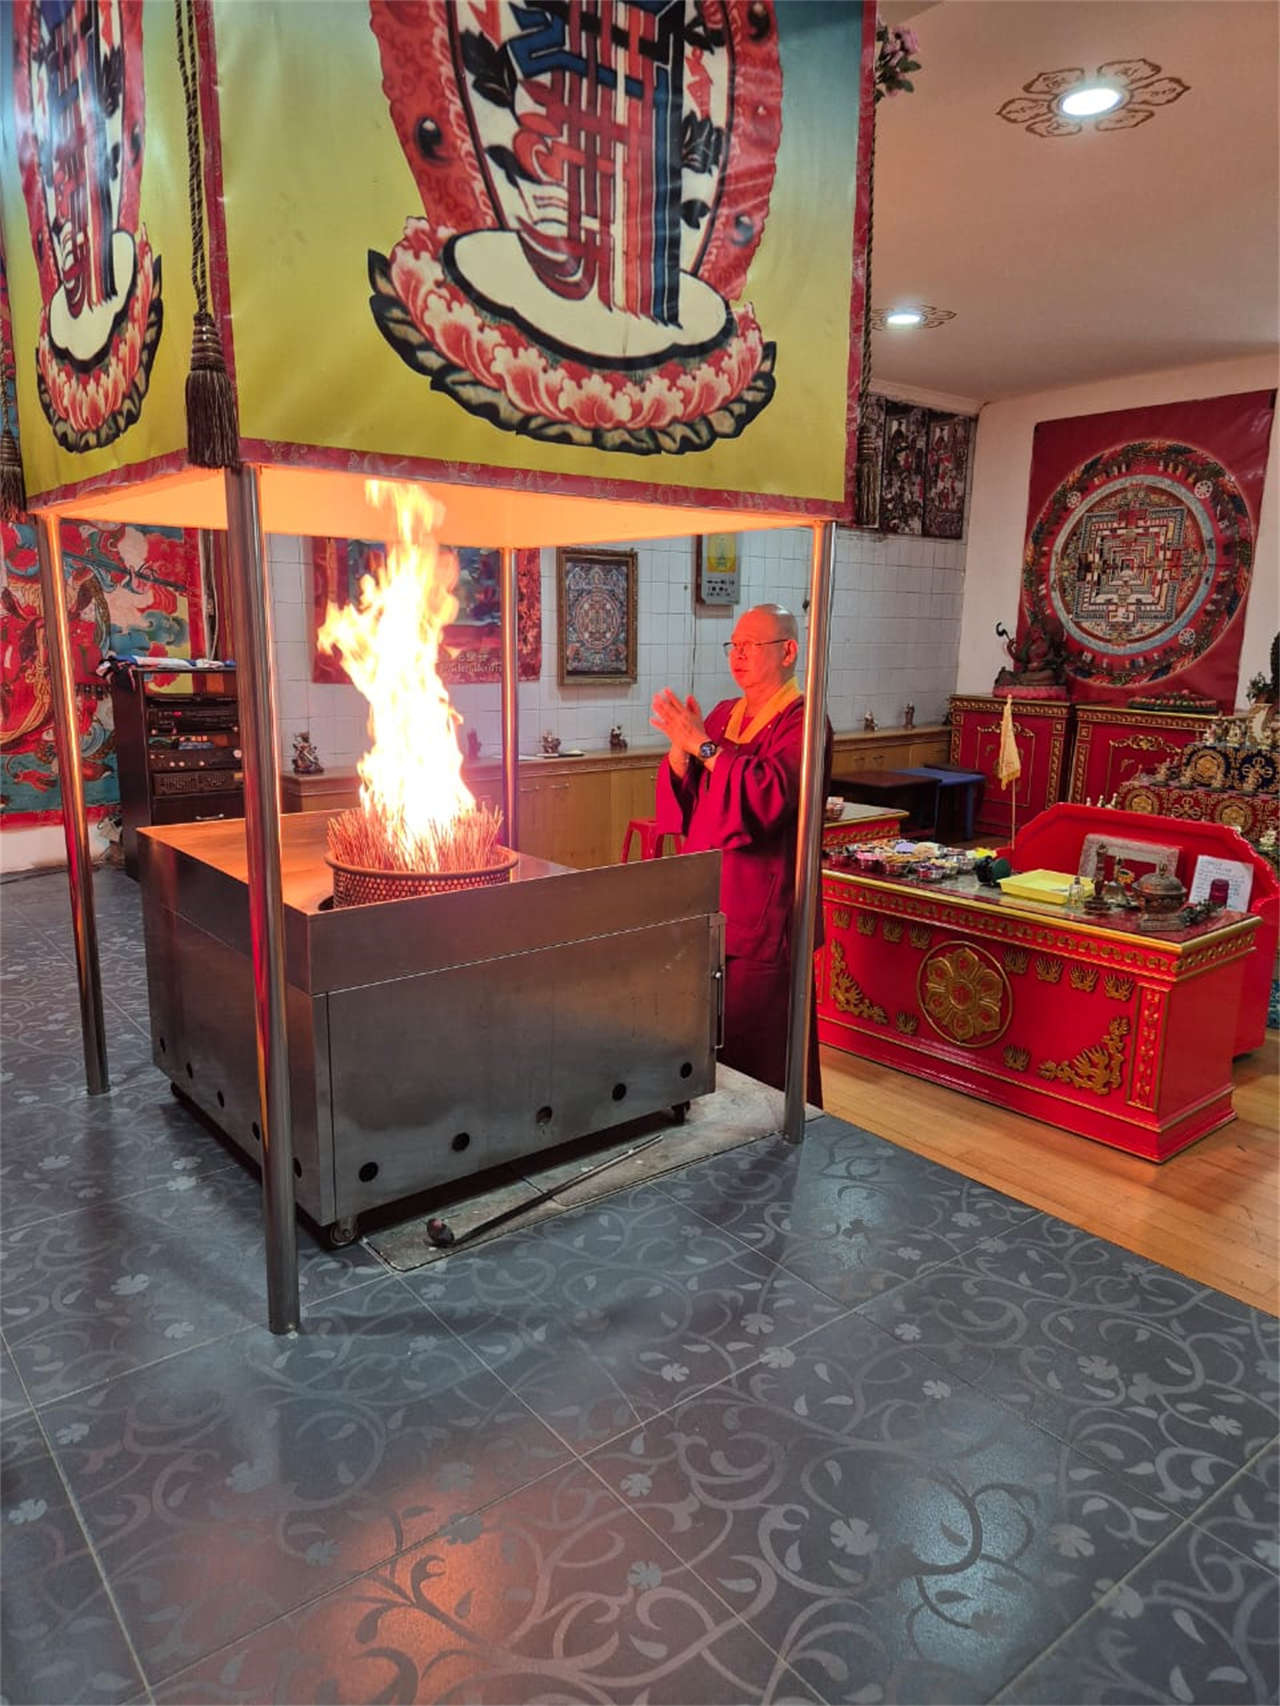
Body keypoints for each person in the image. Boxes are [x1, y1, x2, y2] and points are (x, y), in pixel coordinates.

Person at [651, 603, 831, 1103]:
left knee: (759, 1046)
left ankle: (769, 1132)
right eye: (734, 645)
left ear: (788, 652)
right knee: (704, 1034)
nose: (739, 655)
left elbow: (768, 795)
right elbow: (694, 800)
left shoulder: (804, 722)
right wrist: (680, 752)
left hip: (764, 912)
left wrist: (705, 748)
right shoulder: (723, 715)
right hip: (710, 901)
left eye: (752, 645)